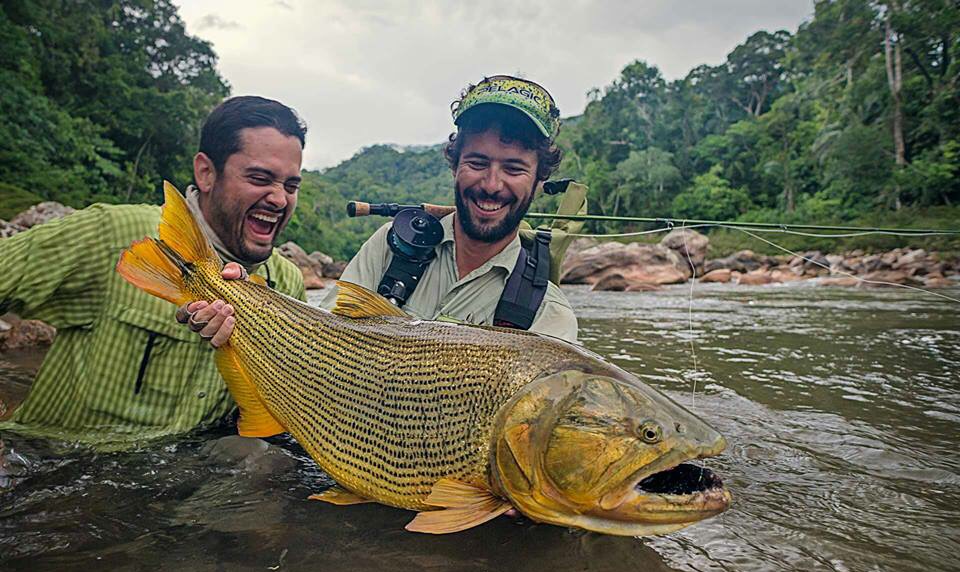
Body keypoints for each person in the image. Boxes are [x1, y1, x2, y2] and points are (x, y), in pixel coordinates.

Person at [0, 96, 308, 449]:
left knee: (262, 459)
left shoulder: (286, 285)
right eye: (260, 178)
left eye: (291, 186)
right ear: (206, 173)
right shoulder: (114, 234)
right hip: (53, 466)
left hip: (182, 486)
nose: (280, 199)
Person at [186, 75, 578, 345]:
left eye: (513, 168)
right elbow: (322, 342)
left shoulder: (549, 316)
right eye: (477, 162)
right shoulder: (393, 245)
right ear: (455, 163)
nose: (492, 184)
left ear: (539, 180)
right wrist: (245, 305)